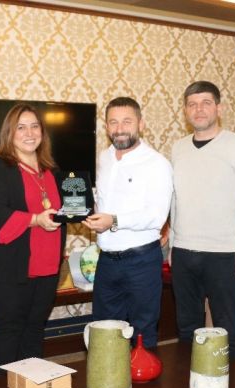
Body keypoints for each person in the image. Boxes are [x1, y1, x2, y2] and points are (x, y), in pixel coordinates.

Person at [0, 104, 66, 372]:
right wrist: (35, 220)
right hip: (10, 266)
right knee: (10, 327)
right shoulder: (0, 167)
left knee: (35, 327)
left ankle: (30, 386)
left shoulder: (51, 170)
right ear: (9, 133)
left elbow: (64, 209)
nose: (29, 133)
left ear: (42, 132)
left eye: (35, 126)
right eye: (21, 127)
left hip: (47, 265)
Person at [170, 81, 235, 361]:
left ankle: (233, 385)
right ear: (185, 111)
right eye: (192, 104)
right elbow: (174, 200)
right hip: (183, 252)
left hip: (223, 253)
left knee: (226, 329)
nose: (199, 109)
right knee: (186, 329)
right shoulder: (178, 148)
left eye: (206, 103)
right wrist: (172, 246)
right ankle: (188, 382)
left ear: (219, 108)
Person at [82, 97, 172, 348]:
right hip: (107, 261)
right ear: (106, 127)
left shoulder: (157, 164)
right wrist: (85, 210)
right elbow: (102, 201)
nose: (119, 128)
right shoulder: (104, 158)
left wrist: (113, 220)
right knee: (104, 331)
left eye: (127, 121)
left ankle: (144, 374)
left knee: (143, 332)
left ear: (141, 124)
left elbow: (156, 216)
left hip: (141, 262)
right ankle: (109, 375)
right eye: (113, 122)